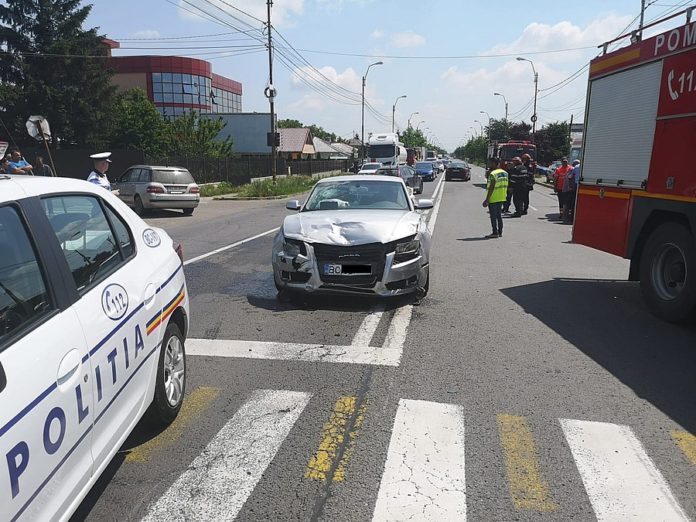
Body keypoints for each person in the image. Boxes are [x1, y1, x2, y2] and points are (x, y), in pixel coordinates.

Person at [482, 157, 508, 239]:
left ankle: (494, 232)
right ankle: (500, 232)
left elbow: (491, 187)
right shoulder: (505, 173)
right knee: (499, 215)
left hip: (494, 197)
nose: (489, 165)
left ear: (494, 163)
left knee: (493, 216)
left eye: (490, 163)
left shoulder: (493, 174)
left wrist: (487, 199)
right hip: (502, 196)